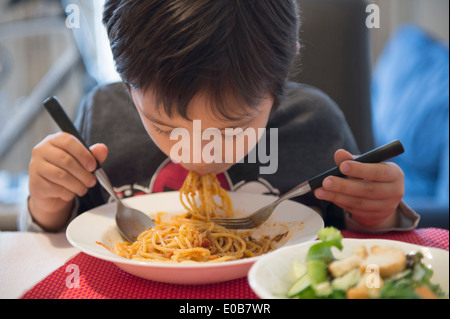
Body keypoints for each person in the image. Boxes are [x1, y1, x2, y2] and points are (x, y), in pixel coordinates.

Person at [20, 0, 419, 233]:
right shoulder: (102, 115)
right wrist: (47, 203)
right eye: (164, 126)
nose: (196, 155)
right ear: (128, 84)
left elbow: (353, 242)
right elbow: (60, 236)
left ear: (278, 78)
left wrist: (379, 214)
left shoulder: (315, 124)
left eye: (231, 130)